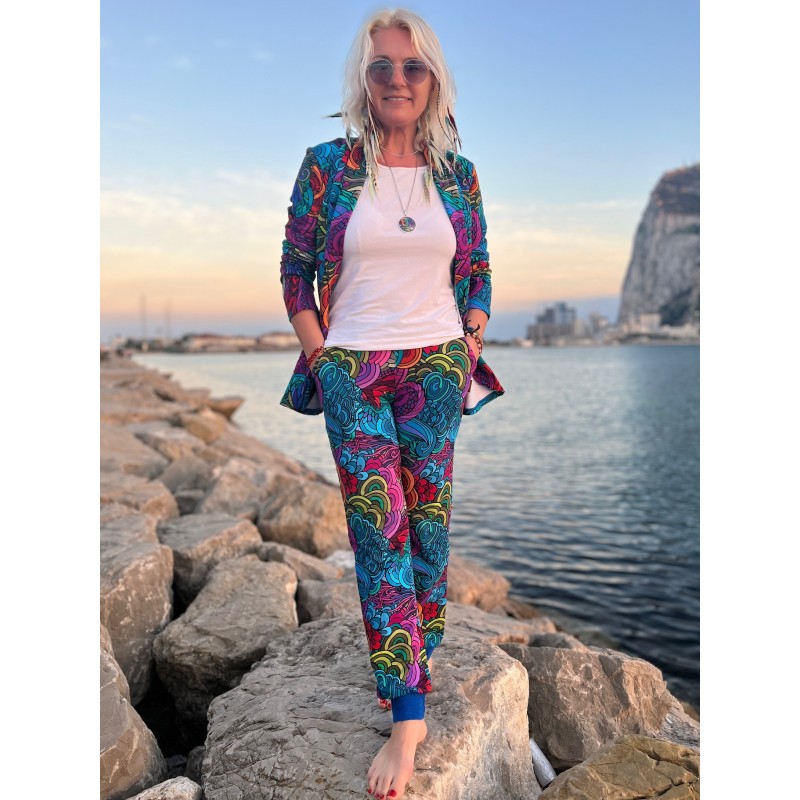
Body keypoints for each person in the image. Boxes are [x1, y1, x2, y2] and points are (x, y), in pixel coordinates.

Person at [278, 8, 504, 798]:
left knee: (428, 529)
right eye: (382, 66)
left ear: (432, 79)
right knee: (379, 530)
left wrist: (468, 340)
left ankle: (416, 660)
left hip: (436, 365)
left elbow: (477, 268)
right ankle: (409, 713)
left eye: (413, 66)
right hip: (354, 367)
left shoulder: (459, 175)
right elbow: (295, 270)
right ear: (363, 79)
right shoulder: (326, 166)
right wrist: (322, 355)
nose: (397, 79)